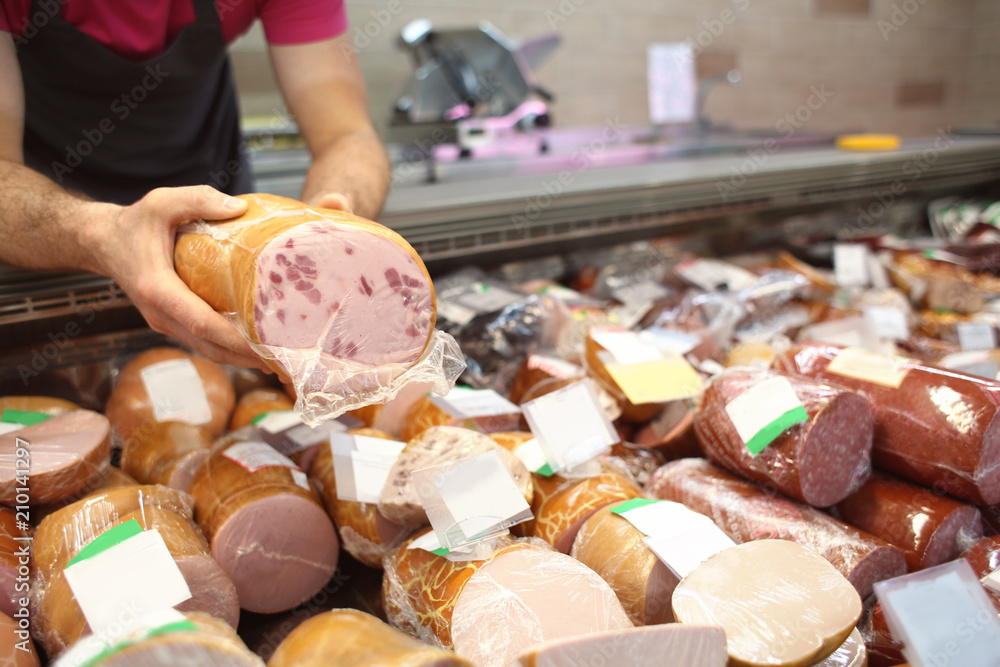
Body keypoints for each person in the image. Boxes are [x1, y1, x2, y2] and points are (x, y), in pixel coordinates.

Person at [0, 0, 390, 372]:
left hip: (218, 229)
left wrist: (330, 218)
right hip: (46, 231)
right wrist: (99, 234)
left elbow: (348, 136)